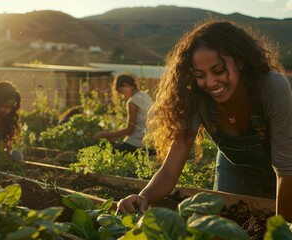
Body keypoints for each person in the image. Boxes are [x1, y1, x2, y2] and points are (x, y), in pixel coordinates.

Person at [117, 19, 292, 222]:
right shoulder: (196, 99)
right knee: (225, 224)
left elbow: (286, 170)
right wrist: (142, 197)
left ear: (241, 61)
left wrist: (281, 232)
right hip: (235, 165)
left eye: (218, 70)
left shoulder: (272, 87)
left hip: (287, 168)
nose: (210, 82)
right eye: (200, 75)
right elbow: (170, 170)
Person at [93, 74, 153, 154]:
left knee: (104, 153)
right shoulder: (146, 96)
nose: (123, 96)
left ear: (126, 85)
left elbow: (129, 130)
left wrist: (103, 134)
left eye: (121, 91)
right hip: (149, 142)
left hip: (137, 144)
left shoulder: (133, 102)